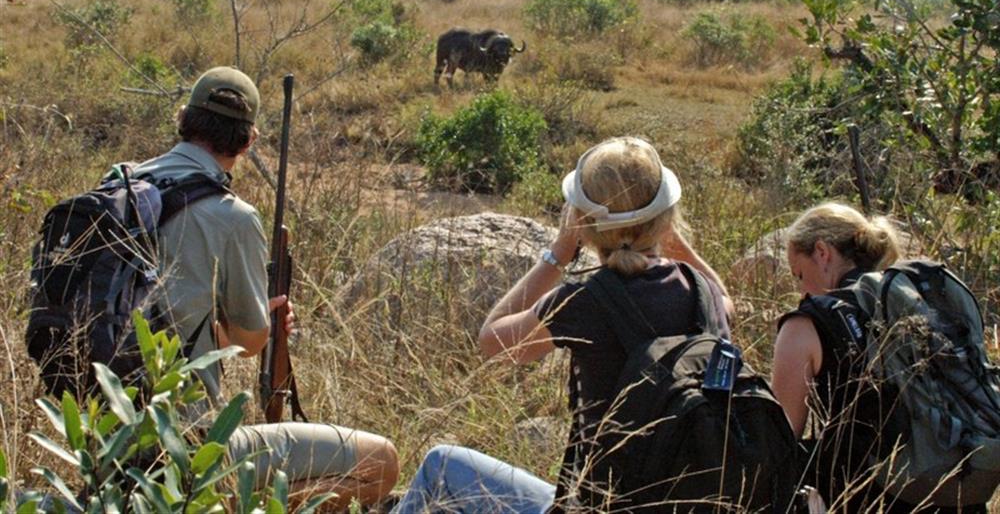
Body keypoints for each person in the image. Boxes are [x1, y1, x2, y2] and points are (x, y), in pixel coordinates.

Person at [391, 136, 733, 513]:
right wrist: (666, 235)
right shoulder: (703, 295)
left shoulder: (584, 300)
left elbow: (492, 342)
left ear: (582, 221)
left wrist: (558, 252)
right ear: (665, 216)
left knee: (440, 466)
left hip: (599, 508)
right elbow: (723, 296)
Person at [134, 66, 399, 509]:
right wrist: (265, 320)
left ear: (182, 119)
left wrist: (210, 326)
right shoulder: (232, 216)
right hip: (184, 447)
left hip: (101, 435)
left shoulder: (118, 186)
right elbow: (251, 340)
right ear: (248, 140)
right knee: (381, 461)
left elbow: (159, 325)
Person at [771, 202, 987, 513]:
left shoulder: (805, 325)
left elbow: (779, 442)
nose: (802, 291)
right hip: (959, 491)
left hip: (871, 501)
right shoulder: (921, 298)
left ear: (822, 252)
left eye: (799, 274)